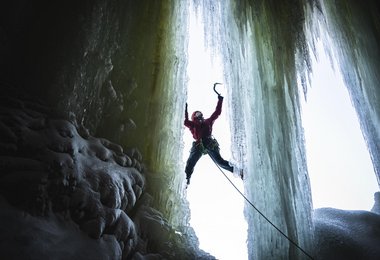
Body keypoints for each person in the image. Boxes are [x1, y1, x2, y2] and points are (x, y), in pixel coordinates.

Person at [184, 94, 242, 186]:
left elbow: (217, 113)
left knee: (220, 162)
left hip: (210, 143)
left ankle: (238, 171)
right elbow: (185, 120)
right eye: (197, 113)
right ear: (194, 117)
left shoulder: (208, 121)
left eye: (200, 113)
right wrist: (184, 107)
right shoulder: (193, 125)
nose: (200, 114)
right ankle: (186, 180)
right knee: (191, 162)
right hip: (199, 145)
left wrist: (220, 100)